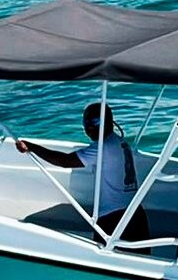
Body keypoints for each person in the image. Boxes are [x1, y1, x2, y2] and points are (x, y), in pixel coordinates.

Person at [15, 103, 150, 243]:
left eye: (95, 122)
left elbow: (65, 161)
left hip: (114, 219)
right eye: (87, 122)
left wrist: (31, 147)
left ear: (109, 122)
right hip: (136, 214)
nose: (89, 127)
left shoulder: (102, 147)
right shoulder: (119, 141)